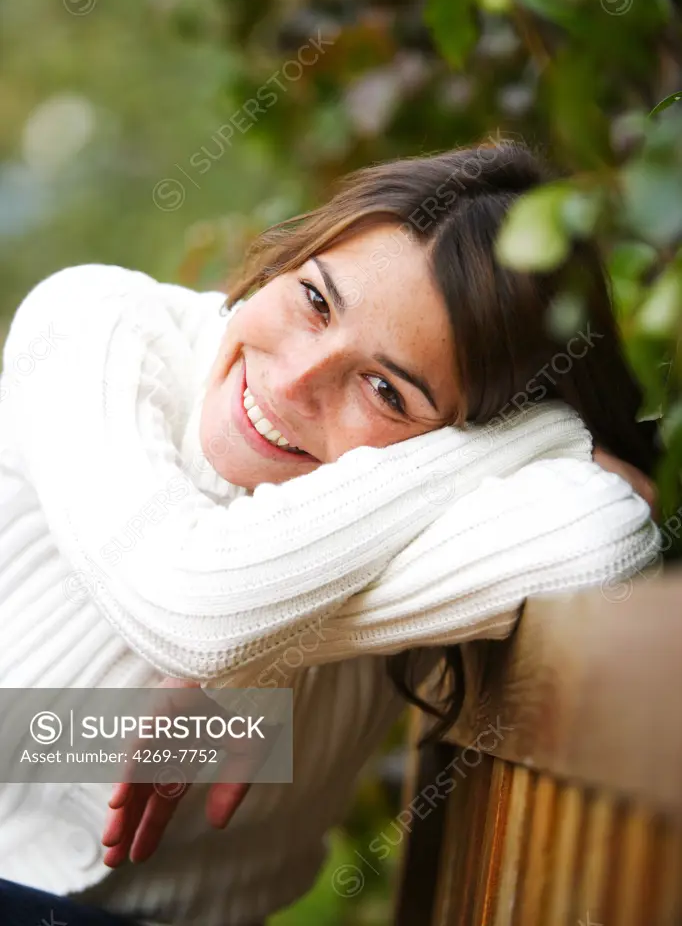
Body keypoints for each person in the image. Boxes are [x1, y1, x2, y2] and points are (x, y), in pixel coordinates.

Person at [0, 140, 661, 926]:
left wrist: (271, 648)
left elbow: (608, 532)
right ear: (292, 256)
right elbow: (195, 606)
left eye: (385, 390)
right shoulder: (96, 327)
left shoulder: (415, 515)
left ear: (457, 444)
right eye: (315, 300)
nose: (290, 382)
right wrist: (253, 652)